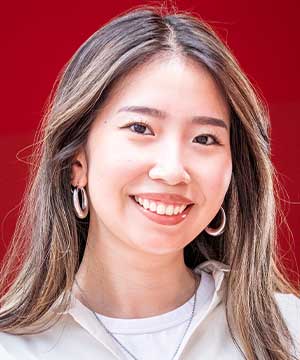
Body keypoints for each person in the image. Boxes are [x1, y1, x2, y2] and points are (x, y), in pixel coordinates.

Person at [0, 4, 299, 360]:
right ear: (75, 162)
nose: (173, 171)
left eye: (205, 138)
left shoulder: (289, 331)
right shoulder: (11, 347)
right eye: (141, 128)